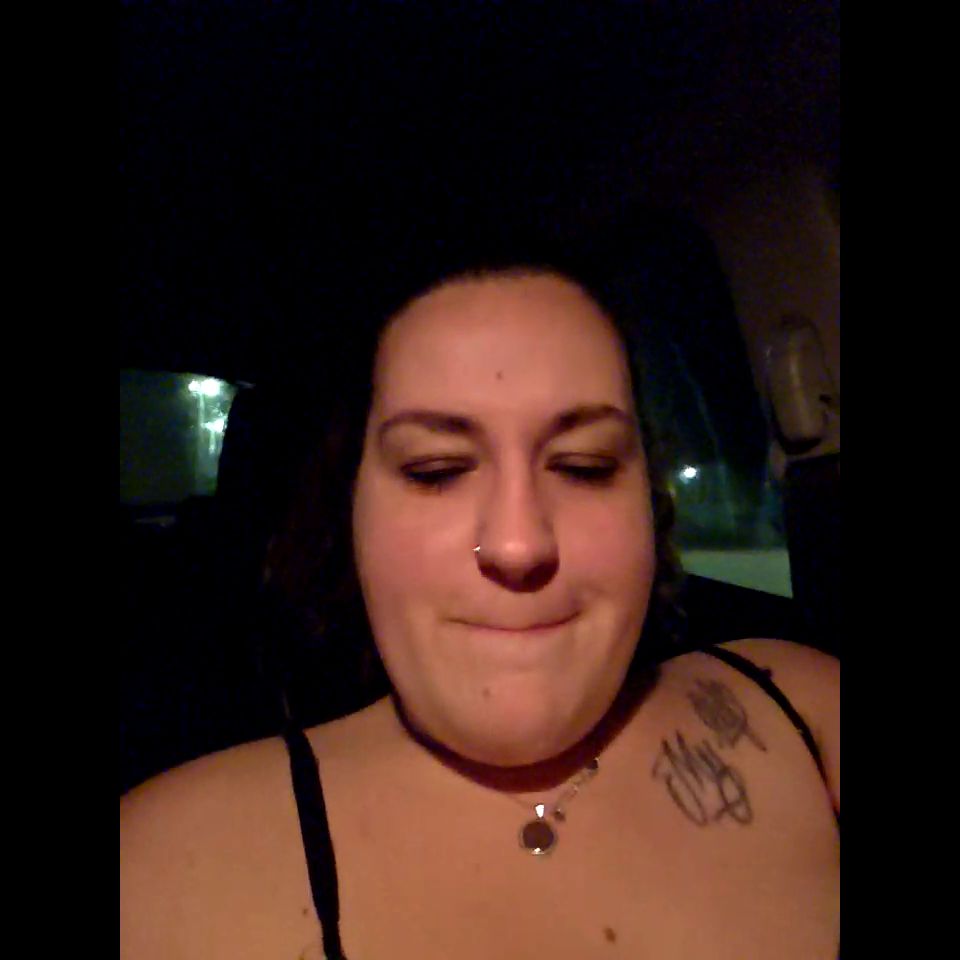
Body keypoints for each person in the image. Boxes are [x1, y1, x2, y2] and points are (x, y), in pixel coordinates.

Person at [120, 249, 840, 960]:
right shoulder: (158, 872)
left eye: (585, 466)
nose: (518, 545)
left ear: (649, 504)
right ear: (352, 512)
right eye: (435, 471)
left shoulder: (808, 713)